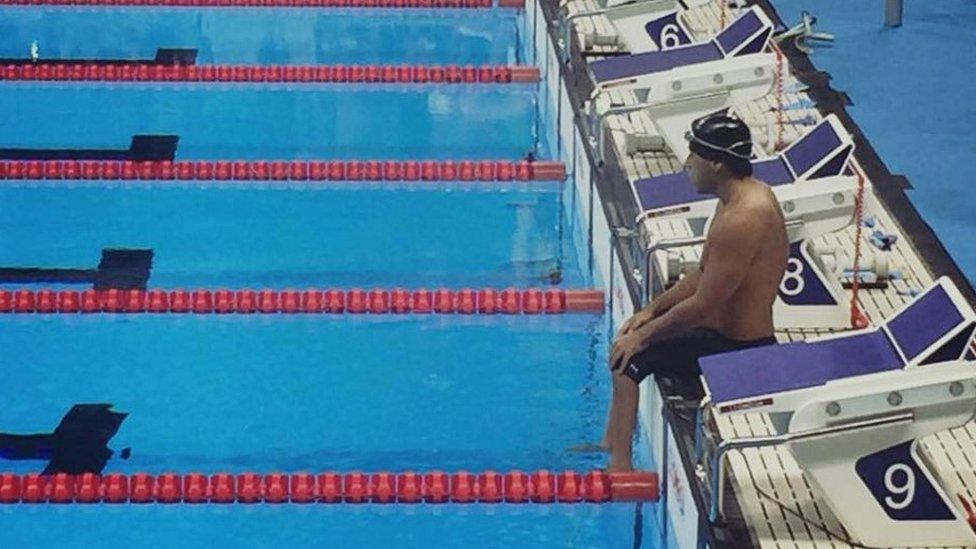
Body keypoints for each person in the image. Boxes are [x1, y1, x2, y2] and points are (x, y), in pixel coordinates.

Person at [604, 114, 788, 471]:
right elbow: (705, 272)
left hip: (740, 346)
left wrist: (643, 338)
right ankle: (609, 443)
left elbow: (704, 305)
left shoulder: (744, 217)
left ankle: (619, 468)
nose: (686, 163)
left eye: (694, 155)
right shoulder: (736, 199)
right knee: (628, 340)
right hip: (718, 332)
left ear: (717, 164)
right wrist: (649, 312)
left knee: (626, 362)